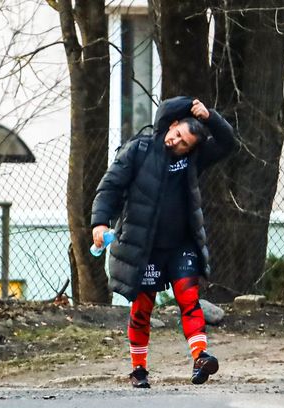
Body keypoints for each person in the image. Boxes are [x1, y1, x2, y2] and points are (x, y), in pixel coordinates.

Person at [90, 96, 236, 388]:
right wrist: (100, 221)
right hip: (145, 247)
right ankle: (139, 369)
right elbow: (111, 185)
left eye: (184, 143)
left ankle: (200, 358)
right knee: (142, 308)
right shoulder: (139, 149)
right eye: (177, 135)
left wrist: (209, 116)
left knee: (189, 300)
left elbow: (229, 143)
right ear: (170, 126)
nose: (177, 143)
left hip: (181, 244)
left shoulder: (193, 158)